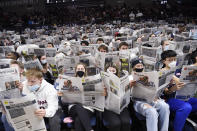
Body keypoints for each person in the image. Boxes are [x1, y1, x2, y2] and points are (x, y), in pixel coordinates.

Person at [160, 50, 197, 131]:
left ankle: (184, 120)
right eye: (170, 60)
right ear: (164, 61)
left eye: (174, 59)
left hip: (183, 96)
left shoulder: (178, 70)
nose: (173, 61)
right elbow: (165, 92)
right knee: (186, 107)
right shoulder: (161, 73)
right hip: (169, 99)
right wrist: (174, 88)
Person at [130, 58, 170, 131]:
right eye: (137, 66)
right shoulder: (130, 77)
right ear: (133, 68)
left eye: (141, 66)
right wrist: (130, 85)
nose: (140, 67)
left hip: (151, 99)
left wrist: (156, 95)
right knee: (151, 111)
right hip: (138, 102)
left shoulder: (149, 75)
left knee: (165, 106)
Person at [59, 63, 100, 131]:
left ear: (85, 70)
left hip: (88, 108)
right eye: (78, 69)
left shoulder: (90, 81)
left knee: (78, 120)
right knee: (78, 106)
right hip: (73, 108)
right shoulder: (69, 82)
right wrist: (63, 94)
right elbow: (64, 100)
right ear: (75, 71)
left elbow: (95, 97)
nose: (80, 70)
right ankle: (89, 129)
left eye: (82, 69)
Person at [102, 64, 131, 131]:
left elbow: (126, 94)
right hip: (109, 108)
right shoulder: (102, 81)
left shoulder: (121, 81)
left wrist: (129, 86)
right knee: (116, 123)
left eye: (113, 71)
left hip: (121, 106)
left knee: (126, 122)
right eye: (110, 71)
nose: (112, 72)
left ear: (116, 72)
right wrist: (104, 93)